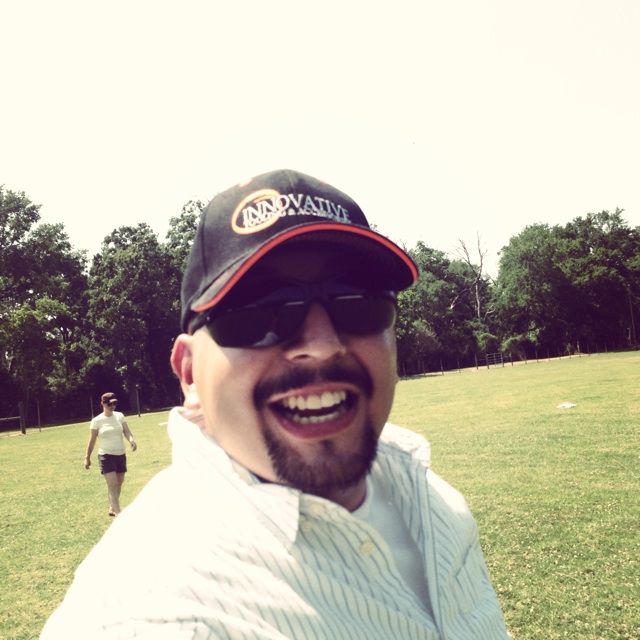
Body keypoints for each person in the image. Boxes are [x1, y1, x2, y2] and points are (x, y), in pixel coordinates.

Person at [42, 170, 509, 639]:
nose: (322, 345)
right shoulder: (148, 613)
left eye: (358, 299)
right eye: (257, 311)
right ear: (190, 374)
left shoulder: (431, 499)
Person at [84, 392, 137, 517]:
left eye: (114, 403)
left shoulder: (120, 416)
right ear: (102, 404)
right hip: (106, 456)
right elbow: (92, 440)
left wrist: (131, 440)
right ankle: (118, 512)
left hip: (120, 454)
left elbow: (126, 431)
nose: (112, 406)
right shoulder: (96, 421)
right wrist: (87, 457)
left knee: (119, 482)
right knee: (112, 484)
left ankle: (112, 507)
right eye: (109, 404)